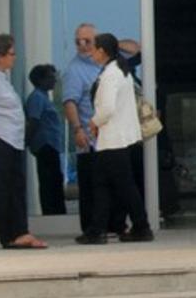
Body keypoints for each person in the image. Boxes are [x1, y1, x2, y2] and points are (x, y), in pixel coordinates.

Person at [76, 33, 153, 244]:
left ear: (102, 51)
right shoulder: (122, 71)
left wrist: (94, 122)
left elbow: (107, 108)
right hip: (117, 138)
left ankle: (141, 226)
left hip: (113, 139)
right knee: (102, 184)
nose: (91, 53)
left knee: (123, 185)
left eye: (94, 49)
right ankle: (98, 229)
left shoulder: (111, 74)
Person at [0, 35, 48, 249]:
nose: (15, 57)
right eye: (11, 54)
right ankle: (9, 235)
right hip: (0, 139)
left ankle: (20, 231)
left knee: (16, 187)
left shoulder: (2, 79)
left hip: (13, 141)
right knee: (4, 188)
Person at [62, 23, 103, 232]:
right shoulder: (74, 70)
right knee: (91, 187)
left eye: (87, 41)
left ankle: (109, 225)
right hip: (89, 139)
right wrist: (77, 129)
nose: (83, 45)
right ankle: (91, 230)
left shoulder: (105, 63)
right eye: (78, 42)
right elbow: (70, 102)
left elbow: (136, 49)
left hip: (109, 139)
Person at [25, 64, 67, 215]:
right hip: (45, 145)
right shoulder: (37, 97)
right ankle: (51, 212)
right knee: (49, 180)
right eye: (50, 77)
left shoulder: (44, 97)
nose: (54, 80)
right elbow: (34, 121)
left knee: (55, 179)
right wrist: (26, 141)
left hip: (51, 145)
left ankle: (58, 211)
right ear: (40, 80)